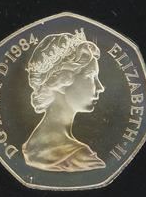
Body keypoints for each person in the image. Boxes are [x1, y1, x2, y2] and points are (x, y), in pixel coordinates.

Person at [22, 29, 106, 172]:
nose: (100, 88)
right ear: (61, 82)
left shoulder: (29, 148)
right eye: (90, 77)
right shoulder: (81, 157)